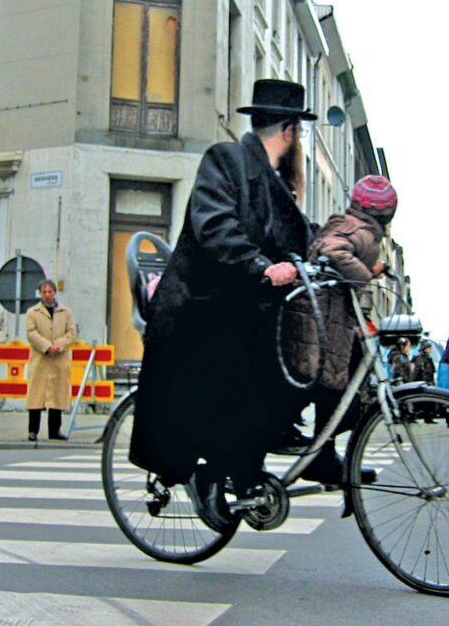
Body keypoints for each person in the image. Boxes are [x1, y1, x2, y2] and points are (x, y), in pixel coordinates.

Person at [129, 78, 315, 531]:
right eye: (299, 135)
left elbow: (297, 239)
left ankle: (273, 463)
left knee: (290, 362)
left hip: (242, 309)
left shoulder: (277, 186)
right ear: (289, 132)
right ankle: (207, 474)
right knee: (233, 374)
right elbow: (213, 225)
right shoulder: (227, 160)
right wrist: (260, 267)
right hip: (198, 306)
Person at [281, 174, 397, 485]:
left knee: (341, 387)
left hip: (332, 318)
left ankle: (322, 455)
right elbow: (331, 250)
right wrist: (364, 274)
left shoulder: (362, 229)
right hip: (321, 318)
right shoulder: (356, 228)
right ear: (387, 212)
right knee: (325, 385)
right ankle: (313, 452)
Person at [25, 279, 77, 441]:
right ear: (40, 294)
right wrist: (47, 346)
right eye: (44, 292)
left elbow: (71, 332)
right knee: (36, 396)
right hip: (40, 359)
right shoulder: (33, 312)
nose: (47, 295)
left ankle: (54, 431)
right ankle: (33, 430)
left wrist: (58, 345)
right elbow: (31, 333)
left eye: (50, 292)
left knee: (57, 396)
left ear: (55, 293)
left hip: (59, 359)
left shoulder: (65, 312)